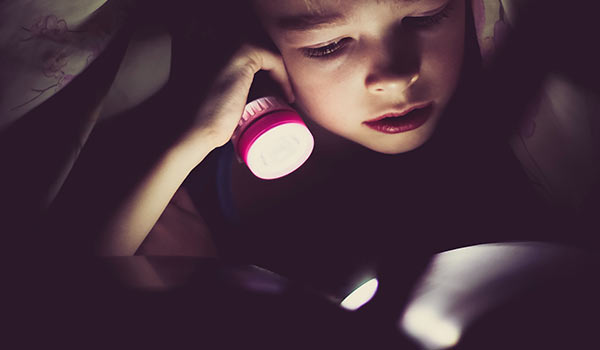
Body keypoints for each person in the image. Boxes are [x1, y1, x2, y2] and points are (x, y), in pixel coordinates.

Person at [6, 0, 597, 288]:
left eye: (425, 16)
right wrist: (191, 143)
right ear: (260, 45)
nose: (395, 74)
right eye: (327, 45)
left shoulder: (512, 136)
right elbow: (71, 296)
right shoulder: (196, 166)